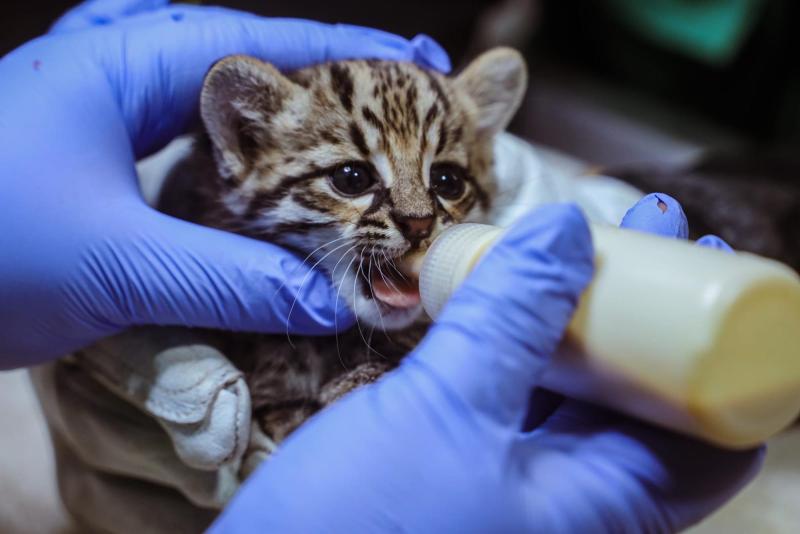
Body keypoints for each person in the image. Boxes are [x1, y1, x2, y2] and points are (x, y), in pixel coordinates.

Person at [0, 1, 762, 532]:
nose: (416, 216)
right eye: (352, 176)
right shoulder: (188, 245)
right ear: (246, 143)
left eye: (446, 179)